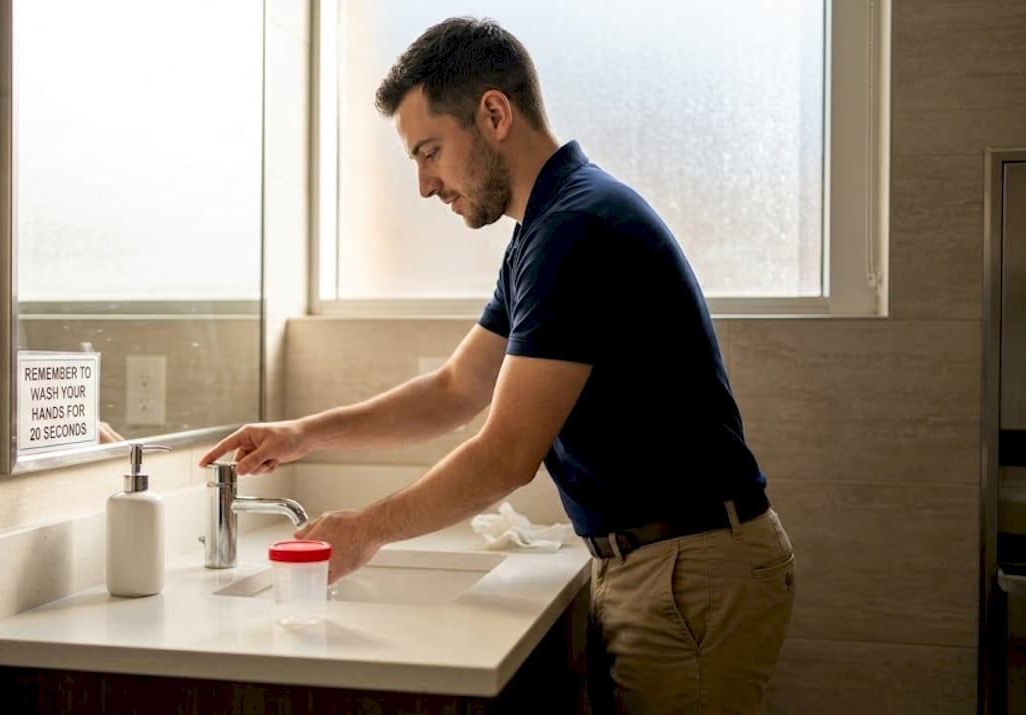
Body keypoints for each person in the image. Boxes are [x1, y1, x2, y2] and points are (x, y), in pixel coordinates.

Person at [199, 16, 795, 714]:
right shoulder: (542, 233)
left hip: (688, 571)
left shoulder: (576, 228)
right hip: (668, 565)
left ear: (493, 112)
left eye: (430, 151)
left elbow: (506, 454)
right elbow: (455, 389)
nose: (425, 185)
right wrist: (302, 433)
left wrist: (362, 531)